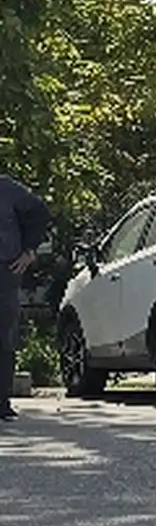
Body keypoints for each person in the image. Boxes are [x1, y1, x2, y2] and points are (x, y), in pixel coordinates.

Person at [0, 166, 51, 421]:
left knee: (3, 333)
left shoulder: (7, 188)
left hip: (4, 268)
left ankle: (1, 400)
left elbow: (40, 212)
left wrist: (29, 250)